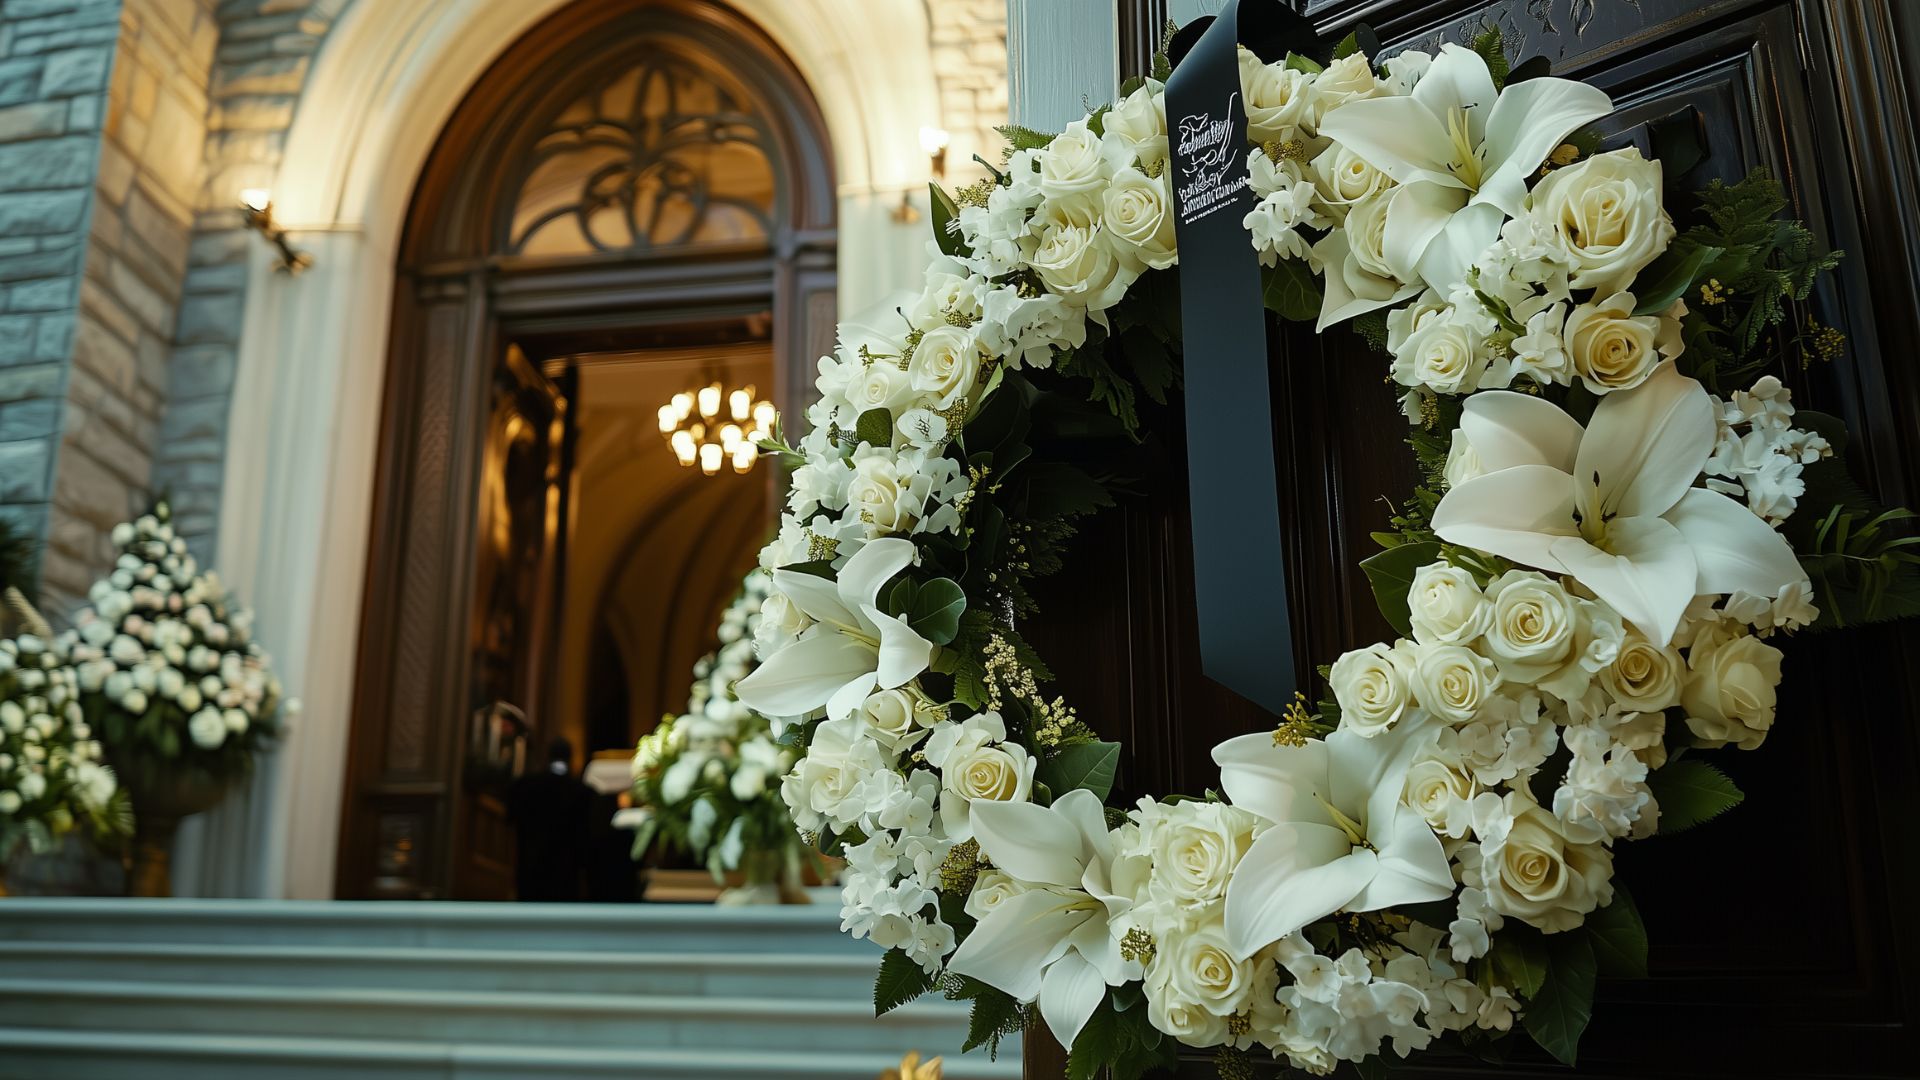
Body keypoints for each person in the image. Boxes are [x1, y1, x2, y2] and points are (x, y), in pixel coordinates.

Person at [505, 737, 594, 901]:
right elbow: (587, 835)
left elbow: (510, 819)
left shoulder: (526, 785)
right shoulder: (582, 793)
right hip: (566, 871)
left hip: (530, 867)